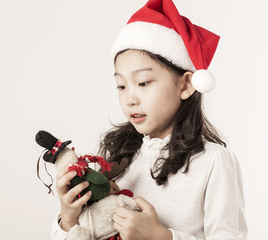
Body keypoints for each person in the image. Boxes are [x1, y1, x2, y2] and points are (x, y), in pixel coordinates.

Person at [51, 0, 248, 239]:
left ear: (185, 85)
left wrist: (162, 236)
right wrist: (68, 218)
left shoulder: (213, 162)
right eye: (121, 86)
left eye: (143, 83)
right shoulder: (121, 156)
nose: (130, 99)